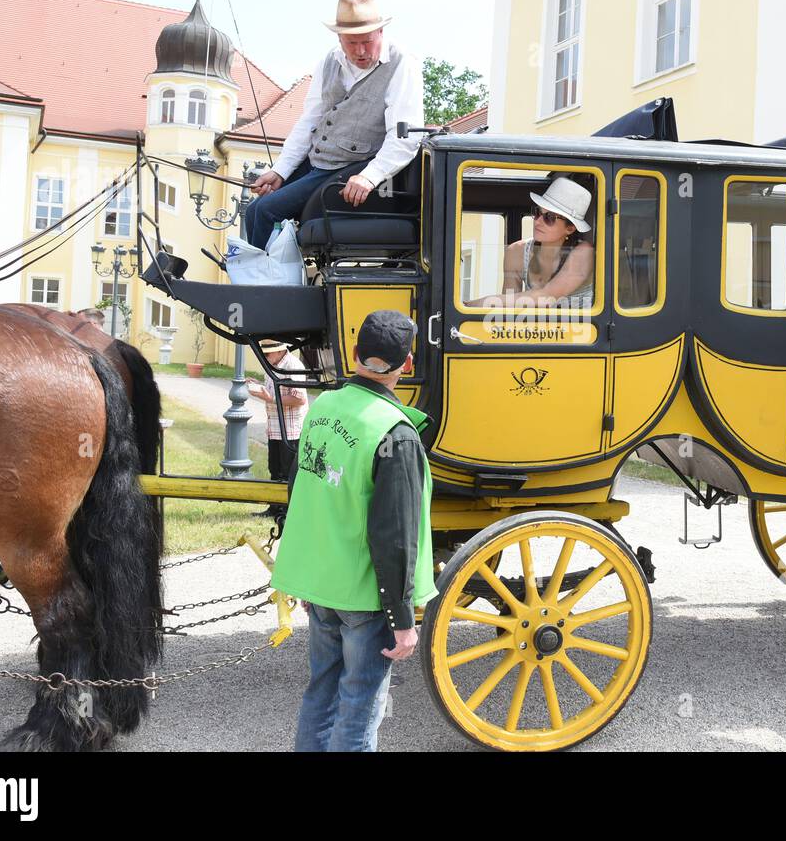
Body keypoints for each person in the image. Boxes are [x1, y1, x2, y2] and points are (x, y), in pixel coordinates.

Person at [270, 310, 436, 752]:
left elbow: (304, 494)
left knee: (321, 695)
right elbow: (394, 535)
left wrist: (306, 581)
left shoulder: (323, 407)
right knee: (360, 706)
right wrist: (403, 620)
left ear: (356, 354)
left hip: (321, 585)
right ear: (407, 364)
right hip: (366, 596)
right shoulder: (394, 432)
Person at [242, 0, 424, 249]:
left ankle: (259, 286)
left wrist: (369, 176)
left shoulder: (402, 63)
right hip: (317, 163)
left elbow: (406, 136)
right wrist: (281, 170)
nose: (360, 51)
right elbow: (311, 119)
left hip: (348, 168)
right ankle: (263, 277)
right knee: (253, 211)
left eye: (367, 42)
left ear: (381, 32)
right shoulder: (330, 60)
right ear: (339, 38)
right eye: (352, 43)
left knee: (265, 212)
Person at [469, 176, 595, 310]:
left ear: (570, 228)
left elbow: (547, 298)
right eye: (537, 212)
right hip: (536, 331)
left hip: (580, 330)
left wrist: (480, 303)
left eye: (550, 218)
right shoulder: (516, 251)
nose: (538, 221)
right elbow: (509, 308)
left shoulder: (584, 252)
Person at [246, 339, 307, 522]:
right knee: (275, 469)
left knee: (288, 473)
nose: (265, 357)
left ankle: (288, 512)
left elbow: (299, 399)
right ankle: (275, 508)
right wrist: (259, 385)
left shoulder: (293, 365)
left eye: (267, 354)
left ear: (280, 351)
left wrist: (270, 398)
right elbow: (275, 390)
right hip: (276, 427)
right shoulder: (274, 364)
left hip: (290, 430)